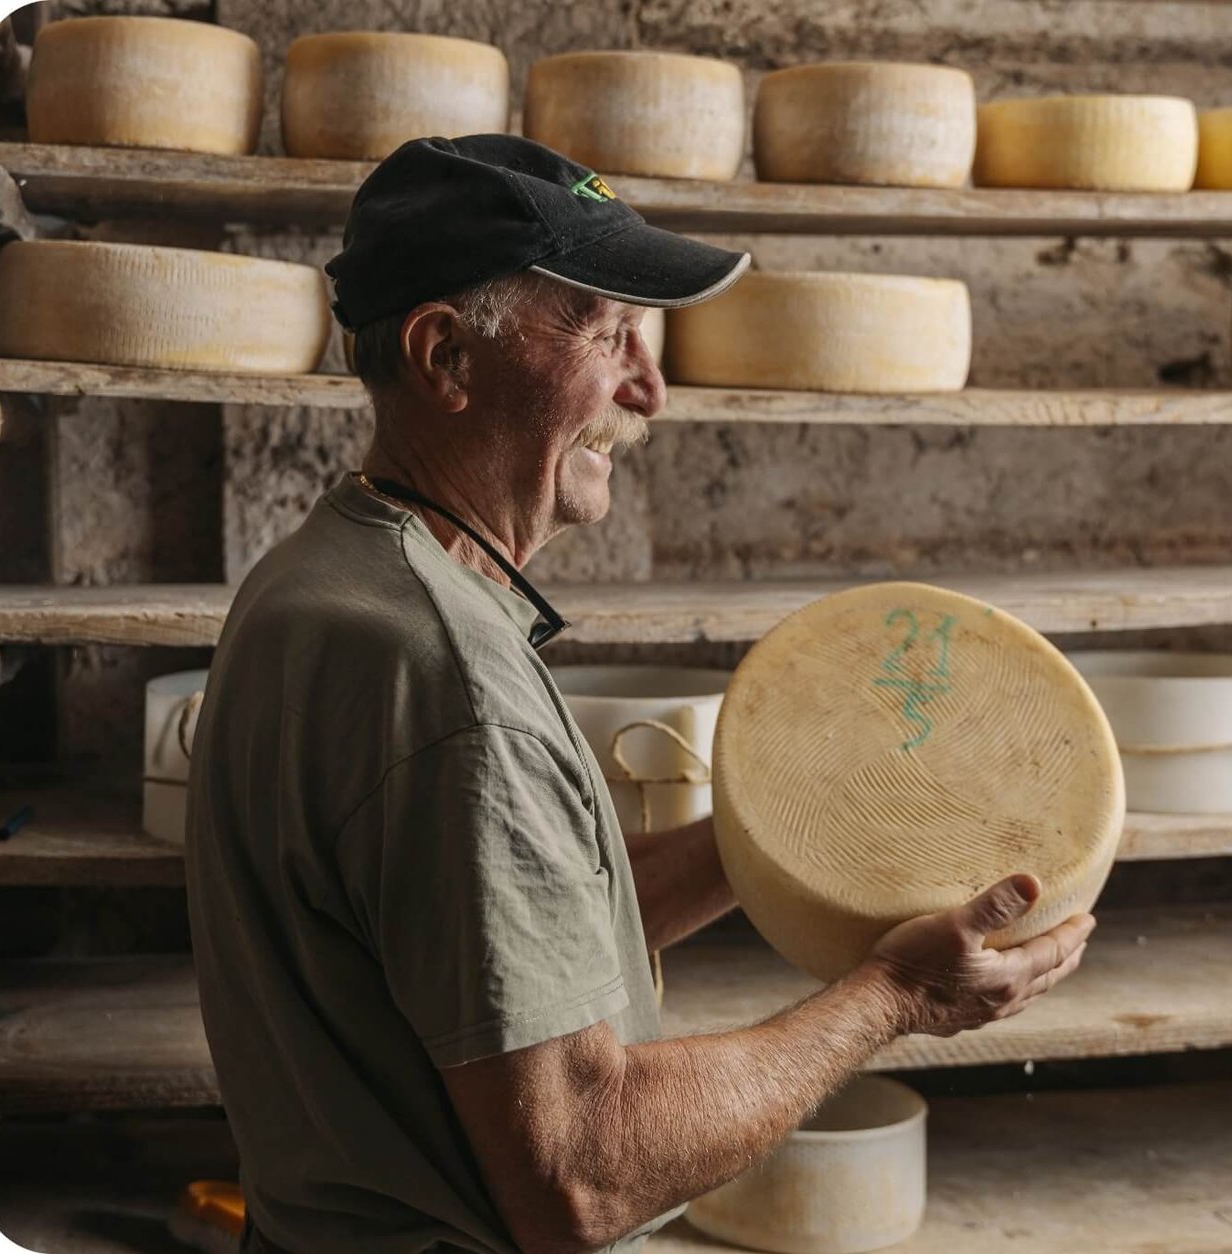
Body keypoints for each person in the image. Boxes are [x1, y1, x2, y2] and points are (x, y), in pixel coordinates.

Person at [185, 135, 1096, 1254]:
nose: (650, 390)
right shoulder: (443, 677)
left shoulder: (325, 578)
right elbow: (582, 1177)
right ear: (446, 357)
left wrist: (789, 824)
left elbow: (503, 937)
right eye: (607, 334)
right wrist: (894, 997)